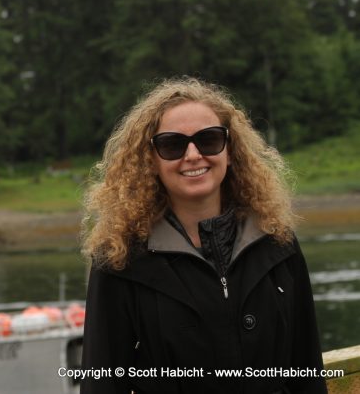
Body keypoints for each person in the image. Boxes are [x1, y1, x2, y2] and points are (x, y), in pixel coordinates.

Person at [80, 77, 327, 393]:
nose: (193, 154)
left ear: (229, 150)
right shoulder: (120, 260)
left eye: (208, 139)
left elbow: (307, 370)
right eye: (172, 145)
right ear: (150, 160)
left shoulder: (277, 242)